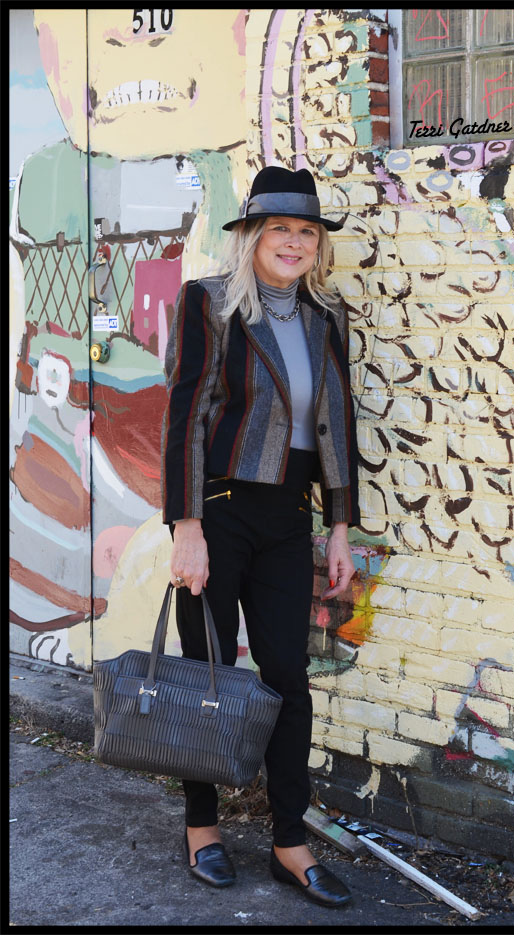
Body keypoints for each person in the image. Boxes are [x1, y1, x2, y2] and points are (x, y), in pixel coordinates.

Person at [161, 165, 360, 907]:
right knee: (206, 675)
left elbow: (337, 424)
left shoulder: (327, 315)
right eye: (280, 228)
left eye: (307, 231)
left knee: (287, 680)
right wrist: (186, 527)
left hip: (287, 519)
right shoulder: (208, 303)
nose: (295, 242)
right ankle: (202, 827)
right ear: (251, 235)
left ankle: (289, 841)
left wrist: (338, 525)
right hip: (216, 511)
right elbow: (186, 415)